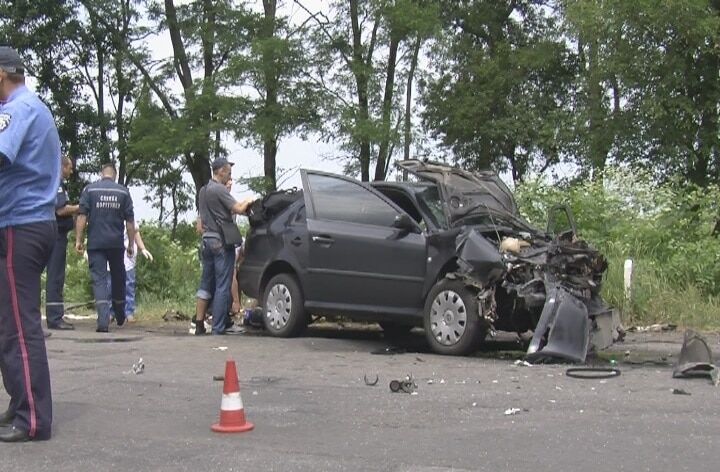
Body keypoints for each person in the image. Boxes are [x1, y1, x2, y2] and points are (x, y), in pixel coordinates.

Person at [0, 45, 60, 442]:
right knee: (9, 322)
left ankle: (33, 418)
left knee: (20, 326)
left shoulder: (17, 110)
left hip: (19, 225)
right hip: (30, 223)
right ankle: (20, 400)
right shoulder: (35, 106)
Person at [193, 158, 253, 335]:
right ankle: (218, 327)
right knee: (222, 285)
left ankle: (199, 324)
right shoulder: (219, 189)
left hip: (206, 241)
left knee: (205, 283)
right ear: (220, 171)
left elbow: (200, 222)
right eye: (228, 170)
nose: (230, 174)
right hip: (220, 242)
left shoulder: (203, 191)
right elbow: (238, 208)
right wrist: (250, 200)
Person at [75, 163, 135, 333]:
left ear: (102, 174)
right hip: (116, 244)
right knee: (119, 277)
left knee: (99, 280)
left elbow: (82, 216)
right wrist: (130, 244)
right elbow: (130, 222)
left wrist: (78, 240)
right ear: (114, 175)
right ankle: (120, 314)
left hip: (96, 243)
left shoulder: (90, 190)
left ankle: (103, 321)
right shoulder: (123, 191)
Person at [46, 156, 79, 330]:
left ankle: (54, 315)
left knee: (55, 276)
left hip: (53, 234)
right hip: (56, 235)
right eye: (70, 168)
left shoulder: (51, 181)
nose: (71, 171)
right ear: (62, 166)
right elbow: (61, 209)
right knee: (56, 277)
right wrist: (81, 207)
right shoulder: (57, 183)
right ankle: (54, 318)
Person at [108, 224, 153, 323]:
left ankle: (129, 312)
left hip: (128, 256)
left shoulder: (128, 214)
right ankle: (111, 312)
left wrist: (143, 248)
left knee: (129, 285)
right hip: (111, 254)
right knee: (110, 285)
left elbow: (135, 232)